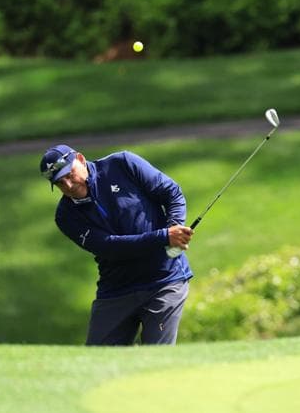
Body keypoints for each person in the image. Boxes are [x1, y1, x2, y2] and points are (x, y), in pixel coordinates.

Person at [39, 144, 194, 345]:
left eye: (69, 174)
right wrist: (164, 237)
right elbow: (110, 247)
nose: (68, 185)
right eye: (60, 183)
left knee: (156, 359)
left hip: (164, 281)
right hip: (116, 290)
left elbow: (171, 193)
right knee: (95, 361)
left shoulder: (123, 164)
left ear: (80, 159)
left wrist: (175, 227)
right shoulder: (66, 216)